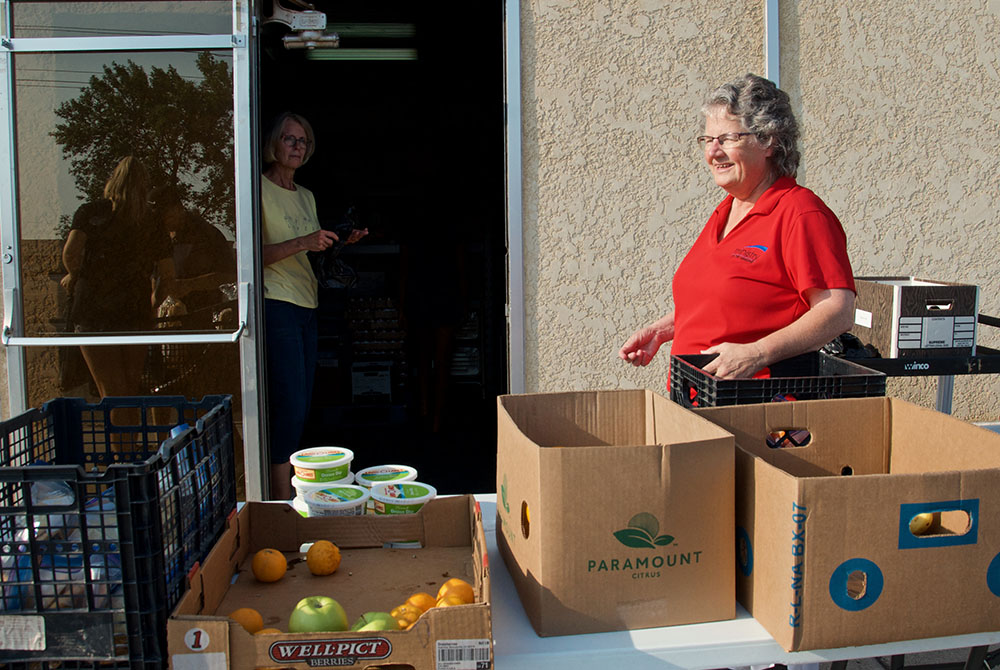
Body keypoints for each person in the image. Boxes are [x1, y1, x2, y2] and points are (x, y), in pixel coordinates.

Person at [619, 74, 855, 380]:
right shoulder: (727, 211)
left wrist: (758, 353)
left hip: (756, 408)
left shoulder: (800, 213)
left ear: (768, 140)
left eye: (728, 139)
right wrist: (663, 330)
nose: (713, 152)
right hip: (697, 398)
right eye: (707, 140)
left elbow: (837, 311)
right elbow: (726, 301)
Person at [260, 112, 367, 500]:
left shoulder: (305, 195)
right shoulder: (256, 189)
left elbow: (311, 252)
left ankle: (286, 494)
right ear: (274, 143)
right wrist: (304, 242)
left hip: (307, 303)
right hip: (276, 304)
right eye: (290, 139)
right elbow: (252, 256)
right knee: (286, 404)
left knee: (302, 402)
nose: (297, 147)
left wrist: (338, 240)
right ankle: (276, 503)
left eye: (303, 141)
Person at [60, 156, 173, 399]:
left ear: (112, 181)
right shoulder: (152, 221)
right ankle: (129, 437)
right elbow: (167, 274)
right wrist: (154, 302)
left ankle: (119, 437)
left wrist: (74, 276)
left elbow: (71, 252)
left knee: (110, 390)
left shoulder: (90, 213)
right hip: (134, 309)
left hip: (94, 310)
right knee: (130, 388)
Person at [150, 185, 237, 329]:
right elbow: (155, 286)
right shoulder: (160, 239)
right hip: (168, 323)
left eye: (165, 217)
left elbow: (230, 277)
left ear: (177, 209)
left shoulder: (207, 235)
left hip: (203, 321)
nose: (162, 223)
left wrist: (190, 285)